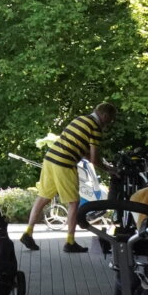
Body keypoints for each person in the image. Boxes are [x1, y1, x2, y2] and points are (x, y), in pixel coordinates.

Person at [20, 102, 115, 255]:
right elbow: (94, 158)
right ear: (105, 115)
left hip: (50, 158)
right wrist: (110, 170)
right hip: (64, 163)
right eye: (110, 119)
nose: (109, 123)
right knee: (74, 202)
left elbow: (84, 152)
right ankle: (70, 242)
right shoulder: (95, 128)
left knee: (43, 197)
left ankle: (28, 233)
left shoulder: (80, 120)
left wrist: (104, 164)